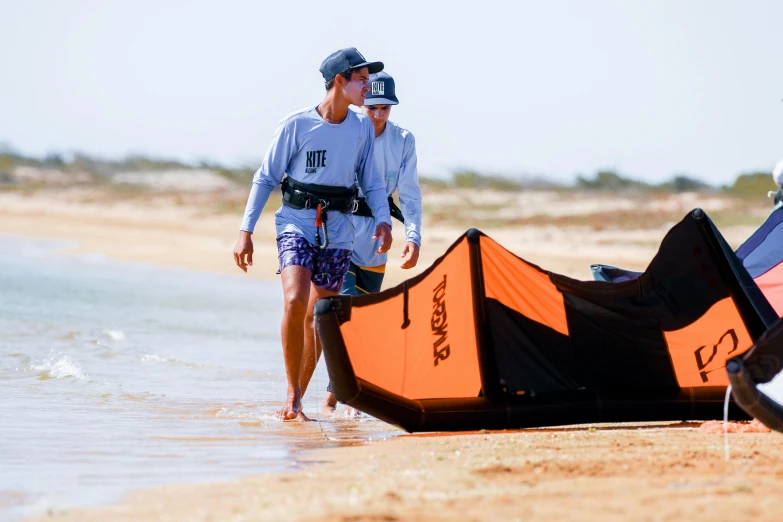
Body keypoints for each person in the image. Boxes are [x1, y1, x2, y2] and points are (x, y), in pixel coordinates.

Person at [233, 48, 393, 421]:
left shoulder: (360, 129)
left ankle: (298, 398)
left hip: (338, 229)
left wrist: (383, 219)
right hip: (296, 221)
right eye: (361, 80)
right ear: (340, 80)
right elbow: (265, 178)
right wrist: (245, 231)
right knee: (294, 300)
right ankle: (291, 396)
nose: (367, 88)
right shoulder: (296, 125)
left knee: (321, 315)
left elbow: (370, 180)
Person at [321, 71, 423, 416]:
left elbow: (409, 194)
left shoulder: (404, 140)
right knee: (343, 313)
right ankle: (340, 395)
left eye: (385, 109)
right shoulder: (346, 132)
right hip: (339, 233)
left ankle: (338, 395)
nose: (378, 115)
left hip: (378, 240)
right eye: (373, 107)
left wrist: (413, 236)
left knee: (362, 320)